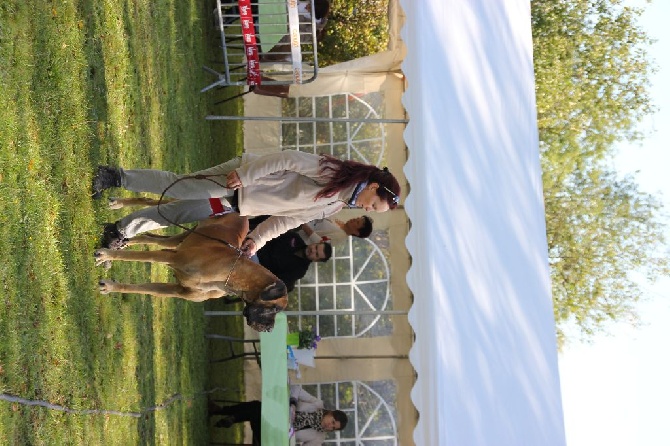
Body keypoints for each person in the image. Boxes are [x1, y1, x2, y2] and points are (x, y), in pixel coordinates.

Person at [92, 150, 400, 256]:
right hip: (239, 181)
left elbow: (288, 219)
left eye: (373, 212)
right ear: (373, 186)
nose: (368, 209)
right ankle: (114, 176)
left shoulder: (335, 205)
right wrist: (246, 174)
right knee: (181, 188)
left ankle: (122, 229)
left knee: (181, 212)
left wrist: (256, 239)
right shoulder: (334, 174)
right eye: (375, 204)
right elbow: (287, 160)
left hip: (238, 205)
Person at [209, 385, 347, 445]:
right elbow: (296, 389)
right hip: (271, 418)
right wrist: (292, 403)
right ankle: (226, 415)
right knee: (258, 408)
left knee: (258, 408)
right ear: (330, 412)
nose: (330, 425)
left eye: (333, 428)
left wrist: (289, 436)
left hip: (272, 438)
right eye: (333, 421)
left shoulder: (318, 438)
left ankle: (224, 413)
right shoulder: (317, 404)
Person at [256, 230, 332, 292]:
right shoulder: (294, 237)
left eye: (317, 254)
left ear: (316, 260)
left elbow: (273, 281)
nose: (313, 250)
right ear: (315, 243)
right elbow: (269, 234)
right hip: (255, 244)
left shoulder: (299, 271)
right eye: (316, 247)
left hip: (256, 267)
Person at [297, 215, 373, 245]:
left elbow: (321, 242)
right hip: (302, 219)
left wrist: (304, 226)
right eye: (357, 218)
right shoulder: (340, 222)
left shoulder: (340, 236)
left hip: (298, 233)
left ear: (357, 232)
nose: (353, 219)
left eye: (357, 222)